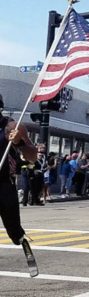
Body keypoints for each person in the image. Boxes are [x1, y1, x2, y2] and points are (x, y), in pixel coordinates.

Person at [0, 94, 38, 252]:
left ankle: (21, 239)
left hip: (3, 185)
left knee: (14, 232)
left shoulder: (11, 126)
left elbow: (33, 156)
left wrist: (19, 142)